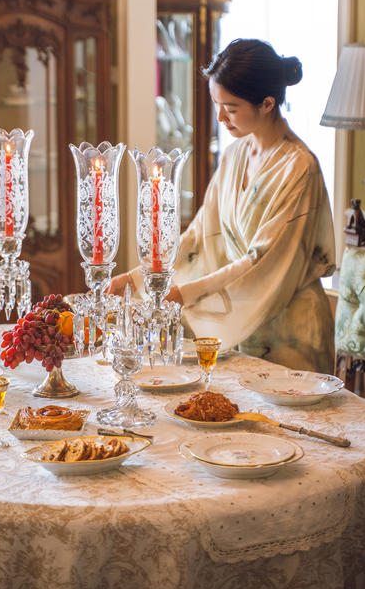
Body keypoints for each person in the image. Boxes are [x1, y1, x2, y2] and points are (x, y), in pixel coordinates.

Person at [111, 39, 336, 373]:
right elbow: (200, 237)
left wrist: (186, 293)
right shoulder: (234, 156)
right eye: (217, 104)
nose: (220, 117)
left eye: (231, 108)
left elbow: (262, 260)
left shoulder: (299, 167)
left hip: (292, 334)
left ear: (267, 103)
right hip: (244, 330)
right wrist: (139, 279)